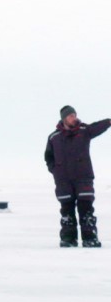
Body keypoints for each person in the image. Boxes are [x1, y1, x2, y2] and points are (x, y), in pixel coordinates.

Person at [45, 105, 110, 247]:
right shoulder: (54, 137)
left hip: (83, 178)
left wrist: (109, 121)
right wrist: (56, 170)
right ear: (64, 119)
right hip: (63, 181)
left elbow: (97, 127)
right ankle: (68, 240)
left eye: (74, 115)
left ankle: (90, 239)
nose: (74, 118)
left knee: (86, 211)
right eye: (70, 116)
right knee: (67, 212)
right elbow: (48, 157)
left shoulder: (84, 131)